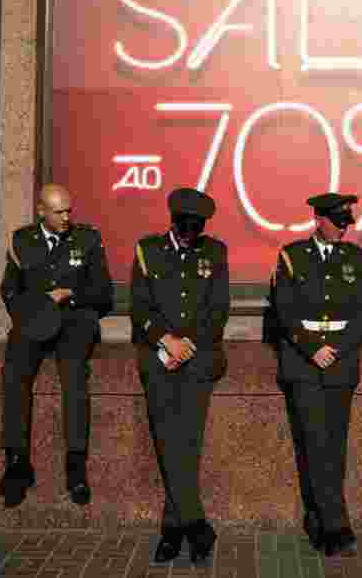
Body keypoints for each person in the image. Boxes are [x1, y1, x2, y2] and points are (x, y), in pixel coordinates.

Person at [0, 183, 114, 508]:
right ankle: (16, 463)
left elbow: (104, 295)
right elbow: (9, 291)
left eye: (69, 210)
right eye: (59, 211)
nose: (66, 217)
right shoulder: (23, 241)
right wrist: (36, 306)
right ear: (41, 211)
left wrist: (70, 295)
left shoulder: (87, 239)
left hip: (74, 321)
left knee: (73, 376)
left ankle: (75, 465)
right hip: (35, 319)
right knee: (14, 374)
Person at [130, 188, 230, 565]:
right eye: (186, 228)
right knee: (166, 441)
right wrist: (165, 341)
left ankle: (174, 530)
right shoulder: (148, 250)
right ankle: (193, 524)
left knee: (186, 444)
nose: (191, 235)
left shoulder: (214, 252)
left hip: (198, 359)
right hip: (157, 360)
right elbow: (138, 307)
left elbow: (218, 308)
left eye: (197, 228)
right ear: (173, 222)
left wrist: (185, 344)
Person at [272, 193, 362, 556]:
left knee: (334, 444)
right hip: (304, 362)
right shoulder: (292, 256)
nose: (344, 228)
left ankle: (323, 516)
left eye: (348, 222)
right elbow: (284, 309)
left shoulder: (357, 258)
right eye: (338, 222)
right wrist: (312, 346)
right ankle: (331, 522)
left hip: (340, 362)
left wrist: (340, 347)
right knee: (314, 443)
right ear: (319, 220)